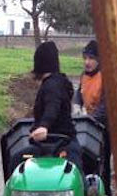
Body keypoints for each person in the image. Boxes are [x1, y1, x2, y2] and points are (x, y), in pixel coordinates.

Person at [28, 40, 83, 170]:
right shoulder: (59, 82)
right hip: (53, 141)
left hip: (61, 142)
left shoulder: (52, 85)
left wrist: (44, 126)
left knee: (74, 175)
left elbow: (53, 106)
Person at [73, 38, 111, 196]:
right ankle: (86, 193)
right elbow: (79, 93)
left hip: (105, 126)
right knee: (85, 157)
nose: (87, 62)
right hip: (89, 124)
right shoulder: (84, 76)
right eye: (85, 58)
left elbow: (106, 106)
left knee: (102, 162)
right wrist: (76, 105)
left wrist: (90, 120)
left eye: (91, 59)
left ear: (99, 60)